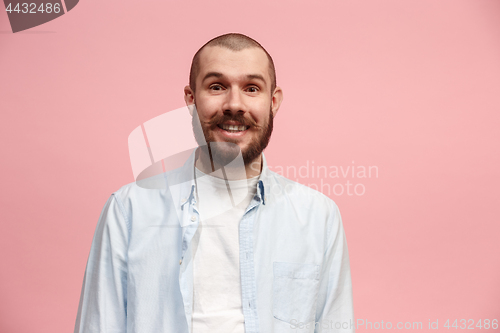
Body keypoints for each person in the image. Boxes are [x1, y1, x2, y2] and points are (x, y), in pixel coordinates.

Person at [74, 33, 354, 333]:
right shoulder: (128, 210)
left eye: (251, 88)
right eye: (217, 87)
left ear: (273, 102)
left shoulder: (318, 217)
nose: (234, 104)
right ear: (191, 99)